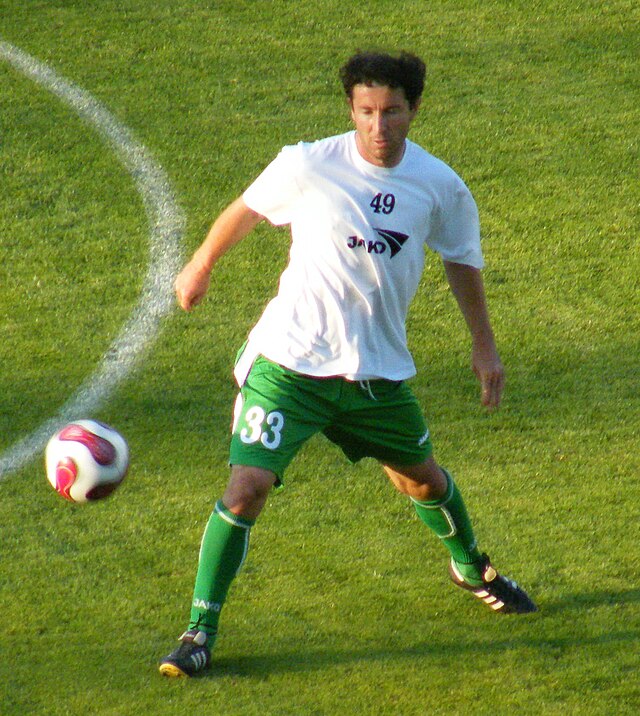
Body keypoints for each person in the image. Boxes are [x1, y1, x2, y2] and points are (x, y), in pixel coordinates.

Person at [159, 50, 536, 678]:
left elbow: (461, 260)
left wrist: (484, 344)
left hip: (375, 373)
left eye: (391, 112)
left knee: (424, 482)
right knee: (246, 488)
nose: (378, 127)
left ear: (414, 109)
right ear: (352, 111)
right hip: (290, 365)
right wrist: (200, 265)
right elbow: (248, 207)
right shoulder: (310, 164)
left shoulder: (441, 186)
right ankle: (199, 631)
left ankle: (471, 567)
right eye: (366, 112)